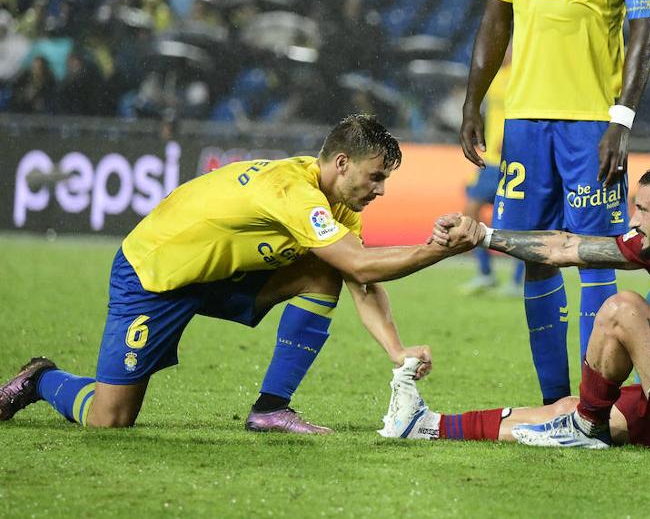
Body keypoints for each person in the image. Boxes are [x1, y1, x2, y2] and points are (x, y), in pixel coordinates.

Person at [0, 114, 476, 432]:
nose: (381, 190)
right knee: (110, 419)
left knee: (321, 271)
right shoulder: (292, 189)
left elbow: (361, 279)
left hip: (220, 276)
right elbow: (359, 263)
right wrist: (438, 250)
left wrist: (397, 350)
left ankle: (270, 409)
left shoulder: (338, 206)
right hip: (155, 275)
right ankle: (42, 378)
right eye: (376, 177)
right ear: (342, 162)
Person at [380, 161, 650, 457]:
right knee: (568, 409)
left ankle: (586, 429)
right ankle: (427, 425)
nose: (633, 220)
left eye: (642, 210)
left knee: (622, 308)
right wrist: (484, 235)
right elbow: (567, 248)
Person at [459, 0, 650, 404]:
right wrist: (474, 102)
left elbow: (643, 33)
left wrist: (621, 121)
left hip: (592, 123)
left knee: (596, 255)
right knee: (534, 256)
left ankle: (593, 404)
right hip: (524, 122)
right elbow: (495, 19)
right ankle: (556, 402)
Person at [460, 60, 524, 296]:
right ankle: (485, 272)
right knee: (471, 210)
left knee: (516, 221)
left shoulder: (524, 74)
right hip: (491, 160)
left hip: (514, 157)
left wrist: (511, 134)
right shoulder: (496, 75)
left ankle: (517, 280)